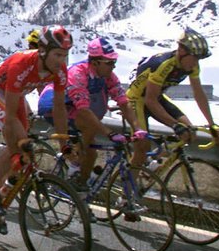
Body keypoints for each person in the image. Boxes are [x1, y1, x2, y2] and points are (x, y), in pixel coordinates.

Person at [0, 26, 72, 211]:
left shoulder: (60, 70)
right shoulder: (21, 65)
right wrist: (21, 143)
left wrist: (64, 141)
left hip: (17, 94)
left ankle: (5, 190)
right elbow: (10, 118)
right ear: (42, 51)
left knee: (23, 152)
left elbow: (59, 107)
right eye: (57, 55)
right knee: (17, 143)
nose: (61, 61)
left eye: (64, 55)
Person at [38, 36, 146, 187]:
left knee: (91, 153)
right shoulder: (78, 73)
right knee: (88, 135)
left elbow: (123, 102)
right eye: (109, 63)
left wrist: (137, 129)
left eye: (114, 62)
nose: (113, 66)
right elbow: (83, 111)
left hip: (73, 108)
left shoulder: (108, 76)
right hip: (52, 106)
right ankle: (75, 165)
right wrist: (110, 133)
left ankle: (80, 185)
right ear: (95, 62)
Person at [126, 27, 219, 143]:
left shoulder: (192, 66)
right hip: (136, 99)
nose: (196, 63)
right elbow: (150, 100)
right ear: (181, 51)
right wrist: (175, 125)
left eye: (199, 59)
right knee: (142, 146)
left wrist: (212, 124)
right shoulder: (163, 65)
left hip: (156, 97)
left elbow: (199, 94)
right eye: (194, 58)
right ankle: (139, 160)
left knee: (189, 132)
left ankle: (158, 158)